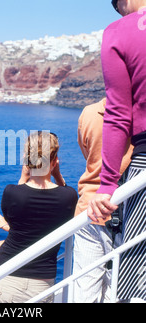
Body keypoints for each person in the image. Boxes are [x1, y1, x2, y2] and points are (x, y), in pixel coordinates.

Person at [88, 0, 146, 301]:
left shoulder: (119, 32)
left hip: (144, 166)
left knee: (135, 273)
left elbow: (118, 113)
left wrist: (108, 184)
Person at [0, 131, 78, 303]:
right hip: (42, 281)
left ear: (26, 160)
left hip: (6, 273)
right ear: (54, 162)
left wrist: (24, 177)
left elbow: (16, 222)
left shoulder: (11, 192)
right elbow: (66, 195)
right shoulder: (68, 196)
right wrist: (57, 175)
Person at [73, 98, 133, 303]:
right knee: (118, 289)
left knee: (85, 288)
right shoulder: (138, 118)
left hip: (88, 209)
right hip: (126, 214)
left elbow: (88, 156)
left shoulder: (88, 113)